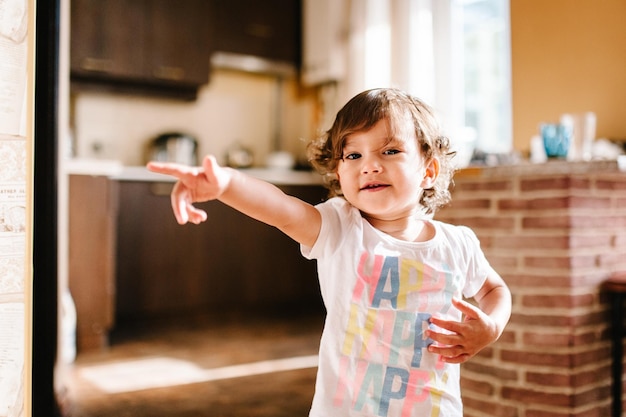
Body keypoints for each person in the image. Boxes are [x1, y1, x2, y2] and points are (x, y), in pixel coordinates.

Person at [147, 88, 512, 417]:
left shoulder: (457, 243)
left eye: (390, 150)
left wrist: (491, 326)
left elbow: (494, 291)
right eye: (353, 154)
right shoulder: (340, 228)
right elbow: (280, 207)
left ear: (429, 170)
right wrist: (226, 183)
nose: (369, 164)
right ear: (338, 172)